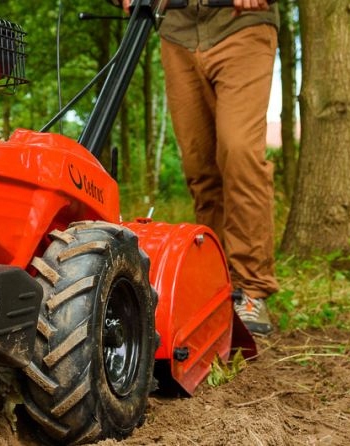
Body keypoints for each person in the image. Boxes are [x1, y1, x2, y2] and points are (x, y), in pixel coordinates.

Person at [122, 0, 280, 336]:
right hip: (177, 31)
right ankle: (216, 287)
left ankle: (251, 287)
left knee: (240, 153)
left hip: (240, 23)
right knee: (199, 166)